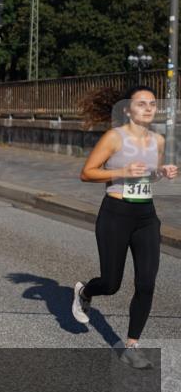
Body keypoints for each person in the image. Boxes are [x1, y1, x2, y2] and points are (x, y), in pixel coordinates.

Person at [72, 85, 178, 369]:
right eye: (141, 103)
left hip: (146, 216)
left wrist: (161, 172)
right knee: (111, 283)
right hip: (115, 214)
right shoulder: (114, 138)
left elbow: (149, 177)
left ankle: (132, 345)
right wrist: (121, 171)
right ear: (128, 110)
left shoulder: (158, 140)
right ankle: (85, 292)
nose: (148, 108)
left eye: (152, 104)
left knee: (146, 283)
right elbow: (86, 173)